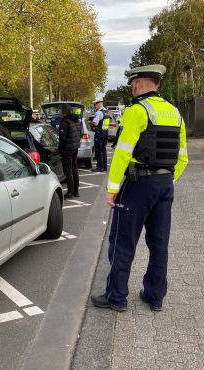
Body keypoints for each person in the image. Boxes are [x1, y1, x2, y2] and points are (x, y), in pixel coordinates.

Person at [90, 64, 188, 312]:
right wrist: (167, 179)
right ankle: (155, 297)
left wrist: (112, 188)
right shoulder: (175, 113)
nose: (132, 88)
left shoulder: (137, 110)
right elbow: (183, 157)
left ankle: (117, 297)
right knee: (159, 243)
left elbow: (122, 153)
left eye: (133, 83)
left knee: (122, 241)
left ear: (141, 83)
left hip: (138, 184)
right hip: (165, 185)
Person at [58, 104, 81, 199]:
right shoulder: (76, 121)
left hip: (67, 149)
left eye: (60, 111)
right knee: (74, 169)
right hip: (75, 147)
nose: (59, 112)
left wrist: (60, 149)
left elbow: (62, 138)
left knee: (68, 171)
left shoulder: (64, 122)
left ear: (64, 112)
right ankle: (76, 191)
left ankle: (70, 193)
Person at [91, 100, 110, 172]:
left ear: (98, 104)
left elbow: (95, 123)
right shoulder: (107, 111)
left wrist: (90, 122)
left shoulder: (98, 112)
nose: (94, 107)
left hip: (99, 133)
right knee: (103, 150)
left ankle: (100, 167)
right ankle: (104, 167)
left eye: (95, 105)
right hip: (105, 132)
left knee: (99, 151)